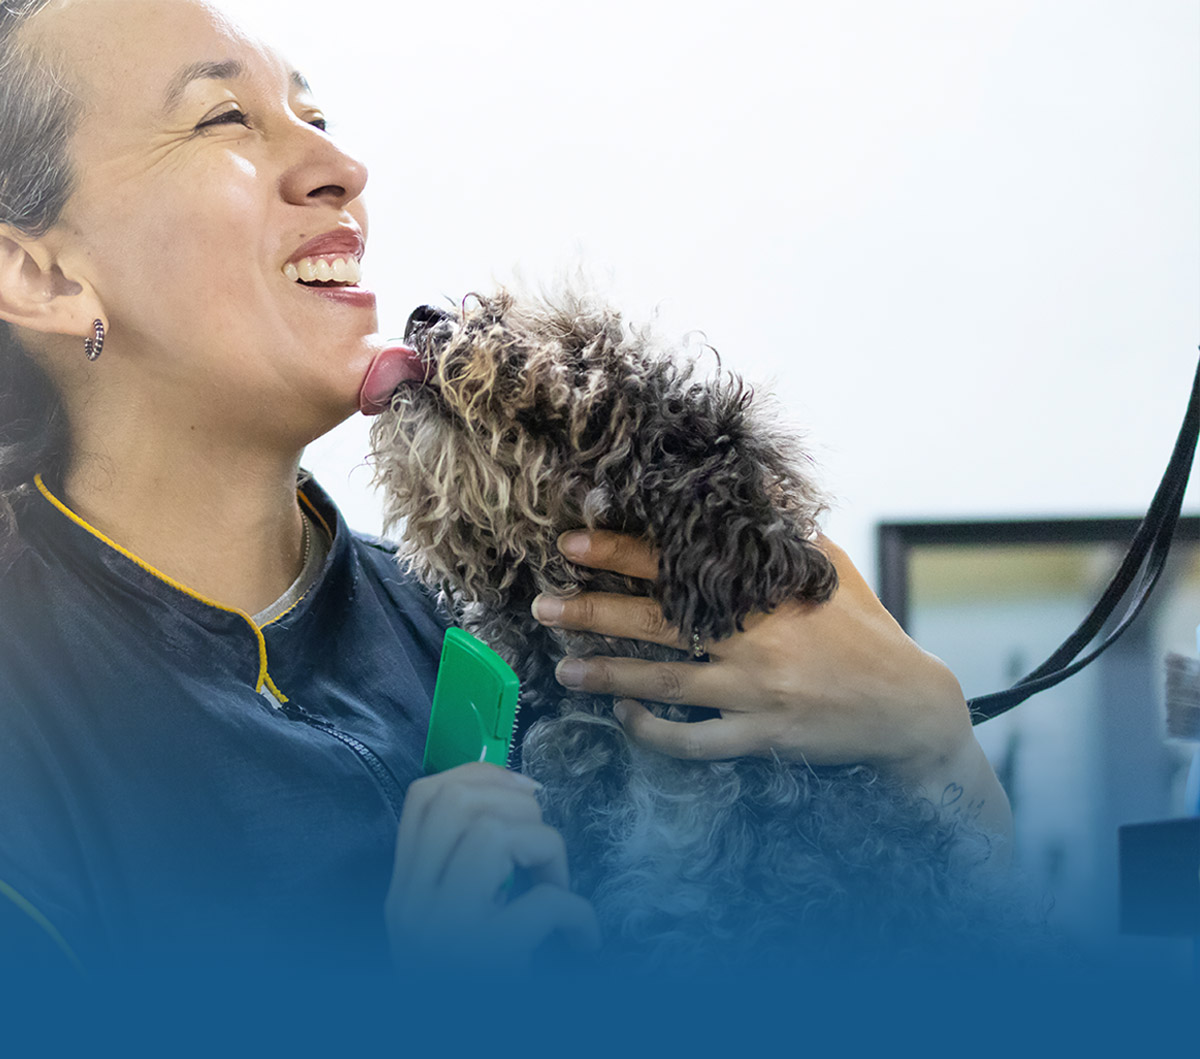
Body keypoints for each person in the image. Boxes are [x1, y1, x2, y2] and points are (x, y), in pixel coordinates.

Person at [0, 0, 1011, 975]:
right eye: (225, 117)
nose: (343, 169)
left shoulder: (521, 641)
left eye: (315, 116)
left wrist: (933, 749)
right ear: (41, 276)